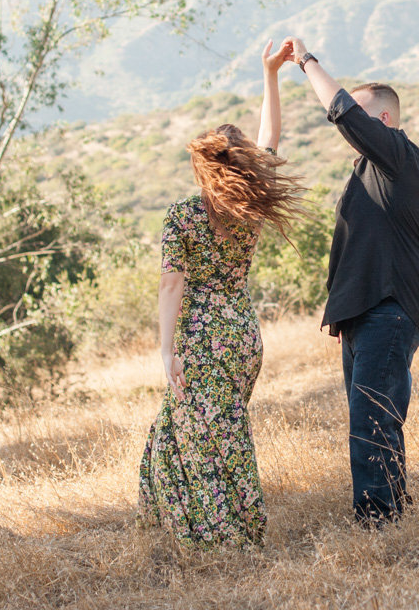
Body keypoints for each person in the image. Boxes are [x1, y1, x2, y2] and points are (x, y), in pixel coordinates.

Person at [138, 39, 306, 547]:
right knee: (211, 431)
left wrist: (167, 350)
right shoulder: (252, 206)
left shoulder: (183, 215)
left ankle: (220, 540)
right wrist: (270, 75)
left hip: (201, 337)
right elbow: (271, 135)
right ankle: (195, 528)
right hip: (242, 335)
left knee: (200, 438)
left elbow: (171, 284)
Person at [283, 36, 419, 524]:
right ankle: (392, 512)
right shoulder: (372, 168)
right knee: (379, 418)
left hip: (388, 309)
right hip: (366, 312)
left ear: (383, 122)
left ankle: (376, 524)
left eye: (365, 121)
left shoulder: (399, 157)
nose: (351, 129)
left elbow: (343, 110)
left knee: (369, 420)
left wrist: (306, 62)